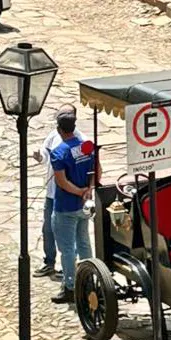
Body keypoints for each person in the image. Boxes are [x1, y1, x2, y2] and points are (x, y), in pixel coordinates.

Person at [32, 104, 89, 279]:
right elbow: (46, 153)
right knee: (49, 230)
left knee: (70, 242)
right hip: (54, 194)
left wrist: (82, 191)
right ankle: (50, 263)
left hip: (66, 200)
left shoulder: (80, 142)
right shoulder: (55, 137)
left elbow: (62, 182)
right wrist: (40, 157)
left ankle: (71, 278)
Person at [50, 109, 98, 304]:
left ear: (60, 130)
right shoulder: (87, 147)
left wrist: (79, 191)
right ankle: (90, 279)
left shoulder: (59, 152)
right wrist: (89, 189)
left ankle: (70, 285)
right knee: (84, 243)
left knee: (68, 249)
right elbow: (97, 170)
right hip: (83, 205)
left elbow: (61, 182)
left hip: (65, 207)